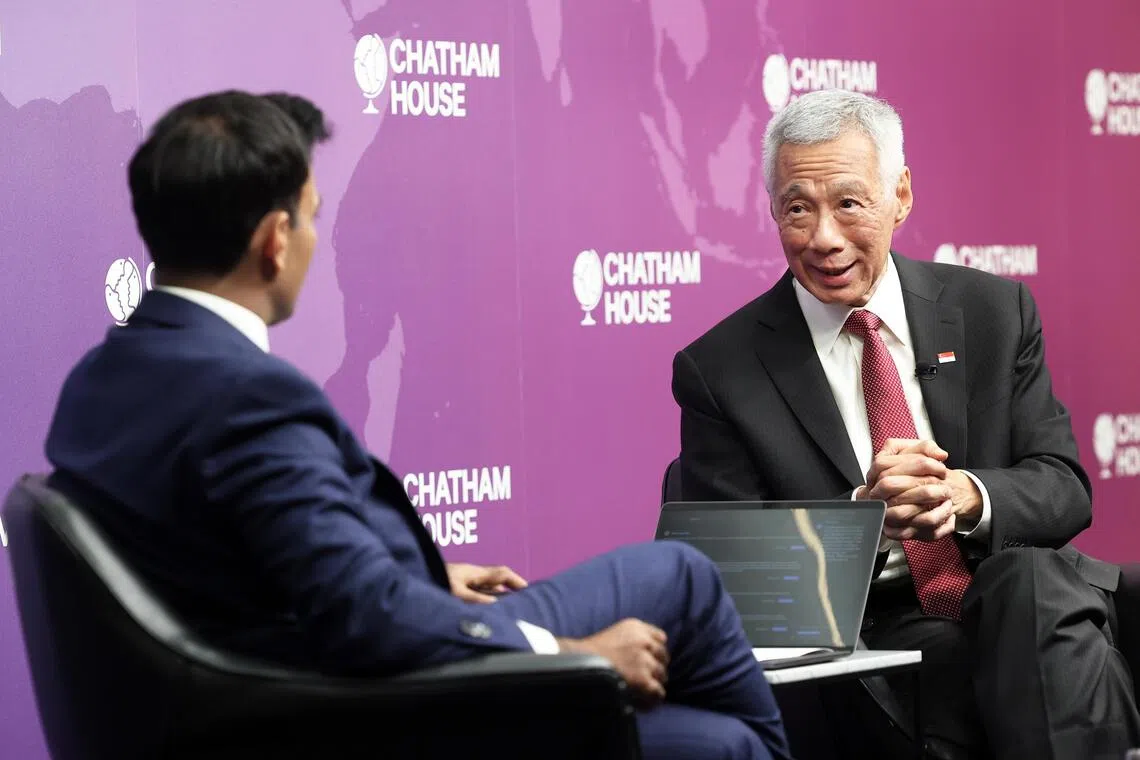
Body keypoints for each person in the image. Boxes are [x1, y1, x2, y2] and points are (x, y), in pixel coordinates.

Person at [43, 89, 791, 760]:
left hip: (289, 671)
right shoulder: (247, 399)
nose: (313, 240)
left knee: (693, 632)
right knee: (710, 671)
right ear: (275, 240)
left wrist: (417, 575)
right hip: (367, 709)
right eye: (312, 216)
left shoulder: (100, 380)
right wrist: (573, 655)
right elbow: (368, 619)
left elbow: (237, 561)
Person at [671, 87, 1140, 760]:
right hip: (883, 625)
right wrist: (866, 517)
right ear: (771, 209)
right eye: (797, 208)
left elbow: (1063, 486)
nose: (822, 237)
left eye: (849, 204)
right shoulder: (721, 369)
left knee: (1029, 586)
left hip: (1023, 599)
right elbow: (736, 579)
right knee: (986, 650)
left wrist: (966, 496)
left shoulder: (993, 311)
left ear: (902, 195)